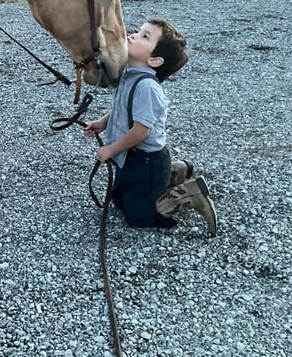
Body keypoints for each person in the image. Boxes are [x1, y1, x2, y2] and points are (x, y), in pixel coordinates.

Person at [82, 19, 217, 235]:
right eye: (138, 31)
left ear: (154, 60)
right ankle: (174, 173)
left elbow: (140, 131)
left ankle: (190, 194)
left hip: (145, 161)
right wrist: (101, 123)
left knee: (138, 217)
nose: (134, 35)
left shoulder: (147, 87)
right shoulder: (129, 75)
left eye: (145, 36)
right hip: (134, 158)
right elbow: (121, 108)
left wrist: (110, 149)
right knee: (120, 202)